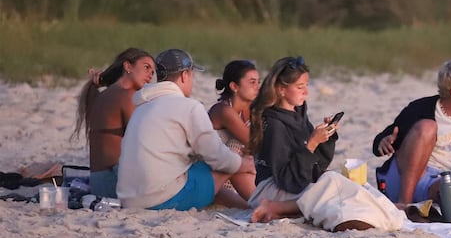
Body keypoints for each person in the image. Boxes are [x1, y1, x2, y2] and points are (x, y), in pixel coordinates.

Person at [117, 49, 256, 210]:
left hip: (130, 200)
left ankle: (247, 206)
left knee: (204, 168)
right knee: (230, 160)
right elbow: (218, 157)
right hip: (161, 199)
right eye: (192, 75)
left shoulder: (142, 107)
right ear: (185, 75)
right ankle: (257, 205)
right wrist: (244, 164)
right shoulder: (189, 107)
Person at [371, 59, 451, 205]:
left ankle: (445, 199)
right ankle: (404, 205)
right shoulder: (420, 109)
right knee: (427, 127)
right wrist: (383, 142)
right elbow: (382, 141)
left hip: (444, 183)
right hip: (410, 177)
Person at [248, 55, 337, 203]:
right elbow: (287, 180)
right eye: (300, 87)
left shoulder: (298, 115)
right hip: (272, 189)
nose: (306, 92)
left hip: (293, 183)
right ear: (282, 90)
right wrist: (312, 143)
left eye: (307, 85)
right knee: (330, 187)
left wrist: (326, 136)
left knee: (336, 181)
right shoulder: (274, 124)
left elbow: (317, 164)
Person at [73, 48, 155, 197]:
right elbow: (144, 140)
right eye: (146, 67)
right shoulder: (127, 96)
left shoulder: (104, 95)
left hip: (98, 182)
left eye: (153, 72)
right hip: (115, 181)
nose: (150, 75)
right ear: (128, 66)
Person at [208, 59, 260, 201]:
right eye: (252, 82)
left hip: (234, 172)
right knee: (238, 147)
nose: (257, 87)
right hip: (213, 176)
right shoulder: (223, 110)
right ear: (234, 86)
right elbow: (254, 142)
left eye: (258, 82)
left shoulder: (249, 111)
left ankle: (259, 201)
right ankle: (258, 202)